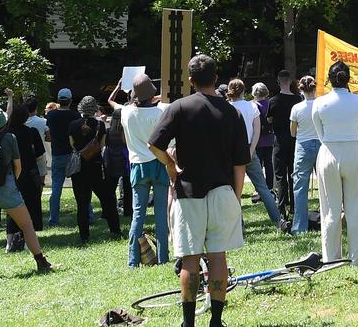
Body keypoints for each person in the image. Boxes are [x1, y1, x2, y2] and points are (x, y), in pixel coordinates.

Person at [148, 54, 250, 327]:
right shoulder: (233, 112)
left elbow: (154, 144)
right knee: (218, 257)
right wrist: (236, 198)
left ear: (190, 80)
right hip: (223, 189)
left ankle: (188, 323)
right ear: (216, 79)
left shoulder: (179, 107)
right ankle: (216, 321)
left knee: (189, 259)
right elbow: (240, 164)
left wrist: (171, 165)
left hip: (188, 191)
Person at [0, 106, 51, 277]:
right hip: (6, 186)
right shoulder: (10, 138)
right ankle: (40, 261)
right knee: (26, 225)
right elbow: (18, 166)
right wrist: (10, 182)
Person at [312, 61, 358, 265]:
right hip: (354, 150)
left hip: (329, 151)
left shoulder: (319, 102)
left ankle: (331, 258)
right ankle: (357, 258)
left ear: (329, 79)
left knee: (330, 210)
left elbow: (320, 133)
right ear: (348, 79)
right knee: (356, 209)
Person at [112, 74, 170, 267]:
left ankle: (133, 260)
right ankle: (163, 258)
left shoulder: (126, 112)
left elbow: (117, 105)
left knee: (138, 215)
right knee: (162, 214)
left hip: (138, 166)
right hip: (160, 163)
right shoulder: (162, 111)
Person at [227, 79, 284, 228]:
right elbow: (257, 131)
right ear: (243, 91)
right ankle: (278, 219)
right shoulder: (251, 107)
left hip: (232, 151)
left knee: (235, 190)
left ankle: (238, 224)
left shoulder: (227, 108)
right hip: (250, 148)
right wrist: (251, 150)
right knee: (263, 188)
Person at [70, 96, 121, 243]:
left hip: (79, 168)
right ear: (94, 109)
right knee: (108, 199)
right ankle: (115, 230)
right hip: (97, 166)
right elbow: (103, 145)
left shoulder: (73, 125)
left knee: (82, 203)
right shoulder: (100, 125)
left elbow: (72, 145)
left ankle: (84, 235)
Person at [4, 102, 46, 252]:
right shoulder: (32, 132)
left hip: (11, 176)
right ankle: (29, 243)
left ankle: (9, 243)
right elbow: (40, 154)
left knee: (11, 209)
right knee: (31, 207)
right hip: (29, 174)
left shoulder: (7, 133)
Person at [45, 87, 81, 228]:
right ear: (71, 100)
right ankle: (88, 215)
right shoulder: (76, 115)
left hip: (58, 154)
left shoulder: (51, 115)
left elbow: (48, 136)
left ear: (59, 100)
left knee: (56, 190)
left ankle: (54, 220)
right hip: (73, 155)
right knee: (80, 188)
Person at [289, 75, 321, 233]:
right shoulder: (321, 105)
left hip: (303, 146)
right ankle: (327, 221)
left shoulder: (296, 108)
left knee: (300, 188)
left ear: (300, 89)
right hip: (321, 145)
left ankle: (299, 227)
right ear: (315, 88)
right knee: (325, 186)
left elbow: (293, 133)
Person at [269, 69, 301, 219]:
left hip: (279, 142)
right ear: (291, 81)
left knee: (280, 177)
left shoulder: (273, 101)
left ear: (278, 81)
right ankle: (295, 207)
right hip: (294, 140)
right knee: (293, 175)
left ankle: (282, 209)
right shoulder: (298, 99)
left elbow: (269, 120)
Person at [252, 83, 276, 192]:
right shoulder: (270, 103)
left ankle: (260, 188)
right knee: (269, 164)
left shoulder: (252, 105)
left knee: (258, 166)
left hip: (257, 139)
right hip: (270, 138)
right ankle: (270, 187)